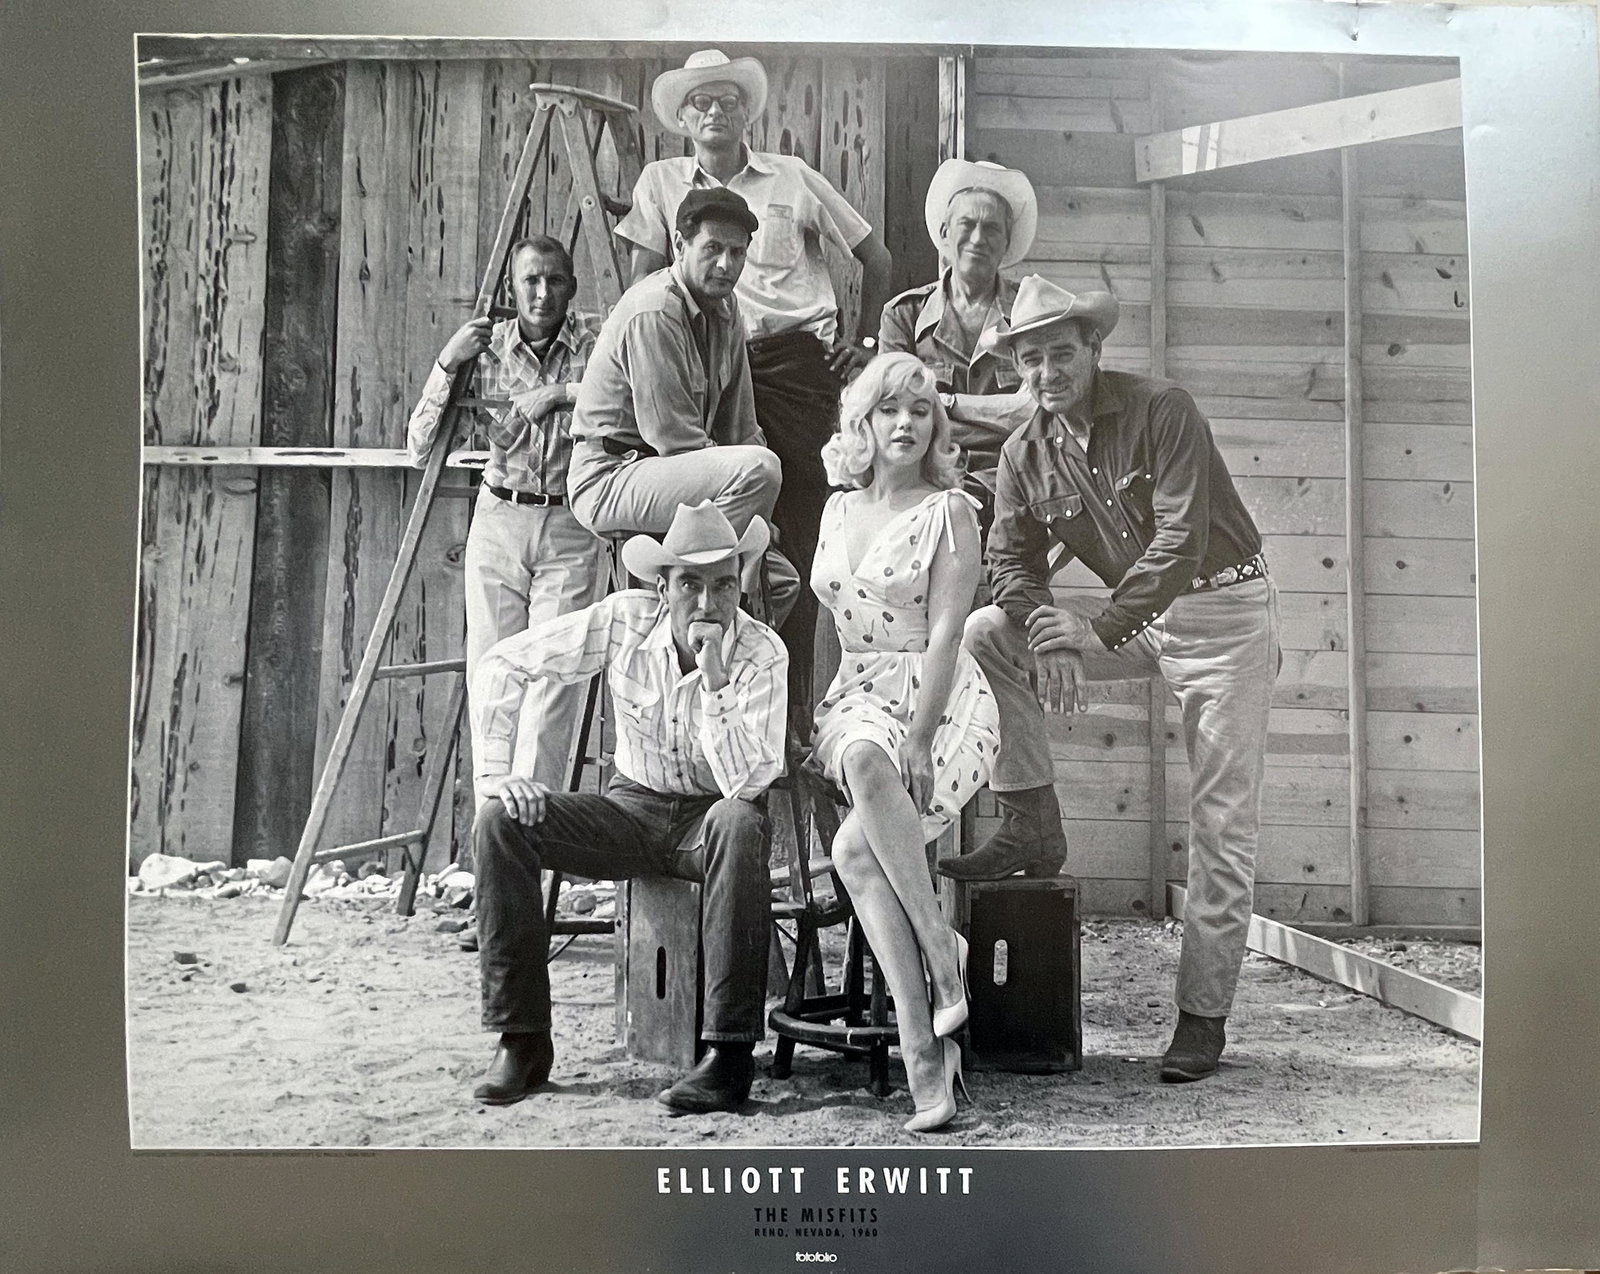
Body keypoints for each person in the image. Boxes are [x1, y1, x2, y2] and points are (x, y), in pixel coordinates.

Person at [938, 276, 1281, 1085]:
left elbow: (1181, 541)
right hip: (1136, 619)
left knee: (1220, 823)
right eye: (1030, 360)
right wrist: (1051, 635)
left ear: (1094, 349)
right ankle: (1032, 821)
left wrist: (1093, 630)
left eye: (1062, 353)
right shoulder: (1023, 453)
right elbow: (1010, 564)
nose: (1047, 373)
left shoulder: (1164, 409)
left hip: (1225, 614)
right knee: (989, 633)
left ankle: (1201, 1018)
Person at [468, 500, 787, 1113]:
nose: (707, 602)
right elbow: (503, 663)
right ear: (662, 587)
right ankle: (522, 1041)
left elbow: (746, 783)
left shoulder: (763, 652)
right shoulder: (623, 620)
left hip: (710, 821)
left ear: (740, 585)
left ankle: (728, 1058)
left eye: (723, 584)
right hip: (632, 810)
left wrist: (715, 683)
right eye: (689, 584)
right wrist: (498, 775)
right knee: (500, 821)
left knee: (740, 822)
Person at [616, 48, 894, 706]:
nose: (716, 111)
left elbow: (875, 257)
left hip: (793, 369)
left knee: (800, 541)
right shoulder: (659, 182)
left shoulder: (791, 177)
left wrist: (865, 344)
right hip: (703, 367)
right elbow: (639, 292)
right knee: (704, 540)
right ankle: (699, 709)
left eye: (729, 100)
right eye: (702, 101)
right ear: (684, 117)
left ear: (748, 114)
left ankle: (791, 717)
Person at [809, 352, 999, 1132]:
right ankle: (940, 952)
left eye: (921, 411)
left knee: (856, 852)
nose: (906, 423)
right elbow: (831, 623)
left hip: (941, 702)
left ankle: (924, 1051)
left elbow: (949, 631)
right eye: (889, 409)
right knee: (860, 754)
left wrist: (920, 737)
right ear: (863, 421)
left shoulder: (951, 511)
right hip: (856, 697)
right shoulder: (835, 510)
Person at [406, 235, 603, 809]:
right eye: (530, 281)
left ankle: (535, 827)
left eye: (555, 280)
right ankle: (494, 817)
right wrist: (448, 361)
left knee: (554, 677)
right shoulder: (485, 348)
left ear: (572, 286)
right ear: (511, 289)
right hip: (499, 516)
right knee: (493, 670)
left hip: (569, 521)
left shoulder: (597, 340)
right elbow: (420, 446)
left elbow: (635, 393)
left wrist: (561, 393)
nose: (543, 294)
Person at [569, 185, 797, 624]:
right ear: (679, 244)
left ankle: (717, 647)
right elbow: (675, 441)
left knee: (782, 581)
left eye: (737, 252)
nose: (726, 264)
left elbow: (742, 429)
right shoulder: (655, 309)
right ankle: (691, 590)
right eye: (712, 248)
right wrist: (754, 508)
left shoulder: (727, 309)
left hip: (669, 477)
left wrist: (762, 518)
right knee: (760, 470)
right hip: (611, 476)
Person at [878, 159, 1039, 525]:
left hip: (1015, 483)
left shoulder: (1031, 311)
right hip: (925, 483)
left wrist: (943, 405)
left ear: (1007, 242)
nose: (978, 239)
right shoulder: (903, 315)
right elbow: (896, 417)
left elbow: (1034, 414)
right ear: (945, 233)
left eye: (992, 228)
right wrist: (999, 416)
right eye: (967, 224)